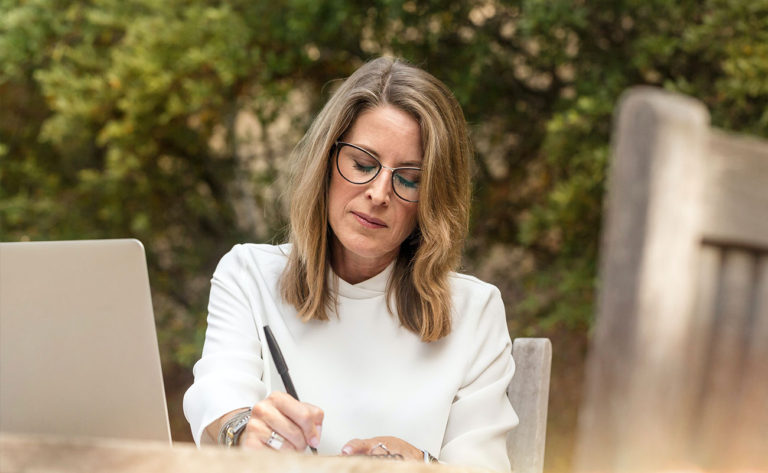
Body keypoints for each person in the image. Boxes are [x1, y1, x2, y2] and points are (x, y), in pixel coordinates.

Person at [183, 56, 518, 472]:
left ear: (432, 199)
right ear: (326, 161)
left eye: (409, 179)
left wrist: (424, 465)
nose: (379, 193)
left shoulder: (475, 311)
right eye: (362, 164)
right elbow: (220, 393)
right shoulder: (249, 275)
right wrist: (242, 430)